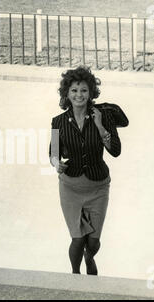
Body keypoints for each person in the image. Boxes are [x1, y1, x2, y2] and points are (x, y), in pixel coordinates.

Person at [49, 66, 128, 275]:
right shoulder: (58, 122)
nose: (79, 95)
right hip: (70, 186)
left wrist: (101, 126)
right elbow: (53, 153)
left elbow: (116, 151)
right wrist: (57, 164)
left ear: (91, 93)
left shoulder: (104, 117)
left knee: (93, 242)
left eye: (84, 90)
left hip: (98, 185)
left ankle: (89, 256)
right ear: (66, 94)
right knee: (77, 238)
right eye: (74, 90)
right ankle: (75, 275)